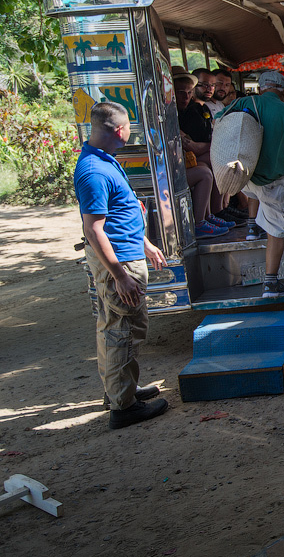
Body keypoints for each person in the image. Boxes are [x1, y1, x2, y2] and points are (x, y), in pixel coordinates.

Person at [75, 101, 170, 429]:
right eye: (129, 125)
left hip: (128, 253)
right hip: (120, 263)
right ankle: (123, 407)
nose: (131, 130)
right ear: (118, 131)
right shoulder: (93, 171)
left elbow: (120, 209)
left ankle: (120, 390)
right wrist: (119, 275)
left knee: (117, 326)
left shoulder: (104, 160)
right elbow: (94, 228)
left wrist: (145, 242)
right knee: (123, 330)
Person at [225, 70, 284, 296]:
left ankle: (252, 226)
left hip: (243, 177)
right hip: (272, 180)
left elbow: (220, 125)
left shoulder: (242, 102)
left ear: (261, 88)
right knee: (277, 228)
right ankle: (271, 282)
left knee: (253, 190)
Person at [172, 72, 232, 238]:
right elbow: (193, 147)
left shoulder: (195, 110)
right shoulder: (170, 115)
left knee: (215, 161)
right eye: (180, 93)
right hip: (171, 172)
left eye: (189, 93)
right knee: (204, 172)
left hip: (183, 163)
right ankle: (200, 223)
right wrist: (213, 145)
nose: (186, 97)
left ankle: (214, 213)